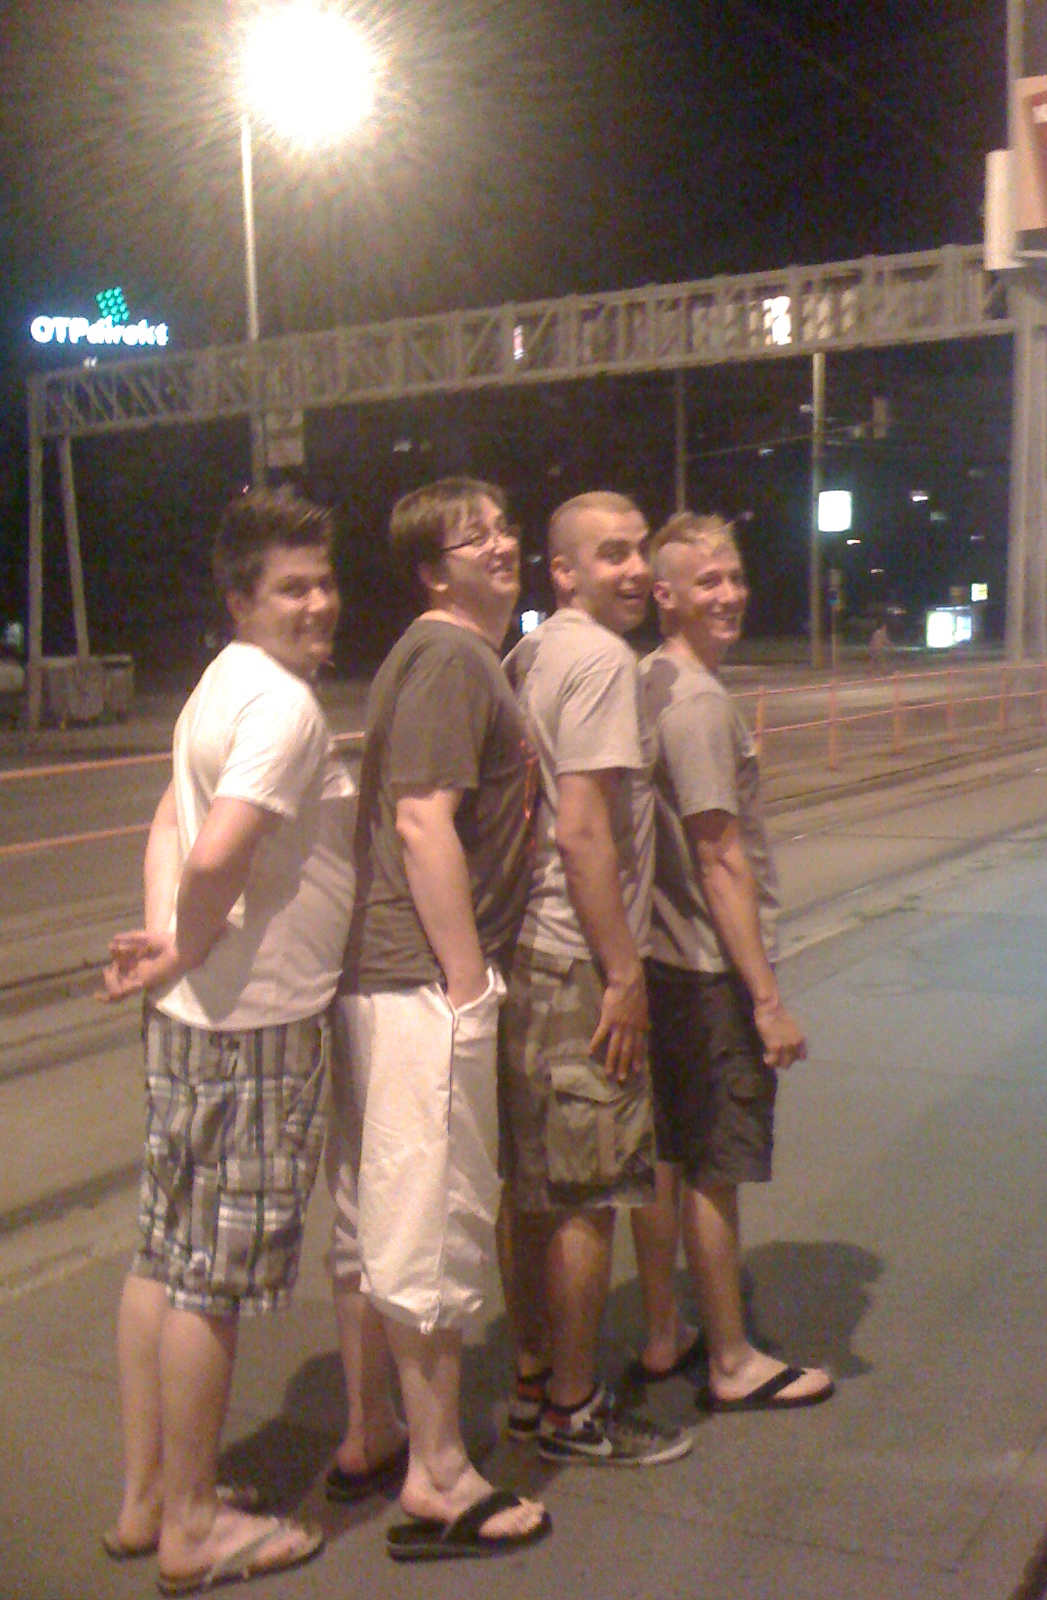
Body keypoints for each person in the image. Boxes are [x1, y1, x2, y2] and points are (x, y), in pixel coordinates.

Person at [102, 489, 357, 1591]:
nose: (318, 603)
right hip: (255, 1025)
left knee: (163, 1255)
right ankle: (196, 1527)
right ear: (241, 597)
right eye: (291, 588)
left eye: (324, 581)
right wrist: (189, 939)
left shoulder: (220, 683)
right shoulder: (285, 708)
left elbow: (172, 821)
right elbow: (215, 854)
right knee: (212, 1278)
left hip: (194, 1018)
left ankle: (149, 1496)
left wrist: (168, 946)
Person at [327, 477, 550, 1561]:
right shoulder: (453, 657)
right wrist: (466, 981)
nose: (499, 545)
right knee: (432, 1219)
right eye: (473, 538)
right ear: (432, 570)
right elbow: (423, 822)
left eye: (503, 528)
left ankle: (382, 1436)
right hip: (423, 978)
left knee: (389, 1213)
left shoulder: (446, 656)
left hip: (399, 975)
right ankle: (440, 1473)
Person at [498, 490, 692, 1466]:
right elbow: (583, 831)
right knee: (587, 1192)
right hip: (581, 958)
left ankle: (535, 1377)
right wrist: (623, 973)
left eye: (639, 550)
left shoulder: (528, 655)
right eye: (610, 554)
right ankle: (574, 1409)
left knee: (532, 1187)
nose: (635, 569)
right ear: (564, 571)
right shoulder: (605, 662)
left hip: (527, 956)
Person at [630, 511, 834, 1413]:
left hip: (661, 960)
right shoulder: (700, 704)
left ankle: (662, 1331)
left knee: (665, 1158)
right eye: (707, 581)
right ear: (665, 595)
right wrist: (766, 999)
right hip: (710, 969)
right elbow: (719, 857)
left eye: (735, 577)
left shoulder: (651, 680)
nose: (730, 594)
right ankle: (731, 1357)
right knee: (714, 1168)